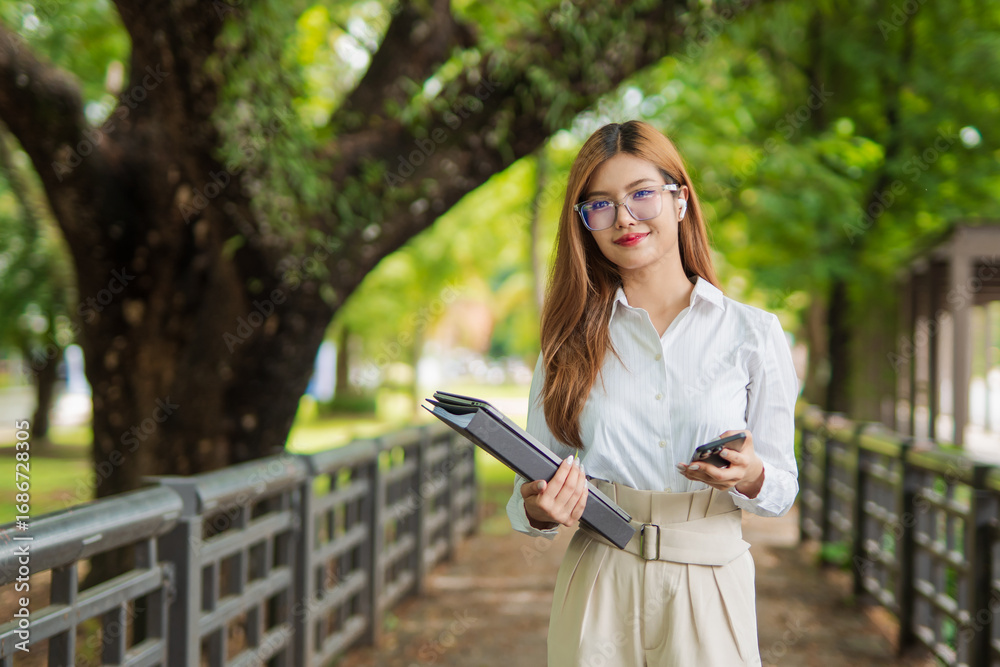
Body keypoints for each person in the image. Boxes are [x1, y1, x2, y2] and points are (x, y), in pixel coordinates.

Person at [505, 120, 799, 666]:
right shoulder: (567, 343)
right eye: (600, 205)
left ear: (680, 199)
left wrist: (751, 474)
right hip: (600, 579)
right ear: (584, 224)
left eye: (642, 194)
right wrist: (542, 509)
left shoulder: (753, 334)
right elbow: (528, 496)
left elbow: (782, 489)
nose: (624, 218)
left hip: (711, 582)